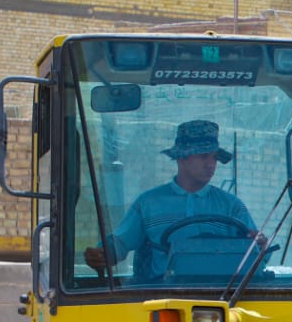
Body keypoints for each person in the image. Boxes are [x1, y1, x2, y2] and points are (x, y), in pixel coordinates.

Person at [85, 119, 254, 283]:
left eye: (214, 158)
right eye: (203, 156)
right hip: (161, 295)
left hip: (221, 295)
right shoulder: (149, 204)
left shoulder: (232, 207)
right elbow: (119, 244)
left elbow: (256, 253)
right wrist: (101, 254)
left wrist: (258, 244)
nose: (211, 164)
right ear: (182, 157)